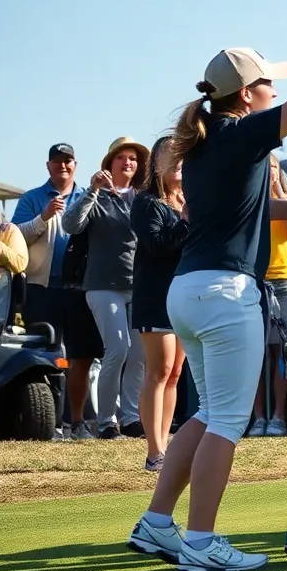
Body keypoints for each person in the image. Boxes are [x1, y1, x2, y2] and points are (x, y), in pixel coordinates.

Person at [127, 0, 287, 571]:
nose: (272, 93)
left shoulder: (210, 142)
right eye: (267, 85)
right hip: (224, 291)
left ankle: (158, 523)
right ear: (247, 96)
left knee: (209, 411)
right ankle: (202, 541)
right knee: (229, 418)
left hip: (190, 289)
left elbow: (264, 208)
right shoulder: (239, 134)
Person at [62, 136, 149, 439]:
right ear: (109, 164)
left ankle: (131, 417)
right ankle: (107, 421)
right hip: (102, 285)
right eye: (121, 157)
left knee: (139, 354)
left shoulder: (144, 198)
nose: (128, 162)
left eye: (133, 159)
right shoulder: (95, 195)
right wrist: (93, 190)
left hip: (139, 285)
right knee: (118, 349)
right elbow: (71, 225)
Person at [13, 143, 98, 440]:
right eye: (58, 161)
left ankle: (77, 422)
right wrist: (44, 217)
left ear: (76, 164)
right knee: (45, 357)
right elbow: (14, 237)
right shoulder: (32, 198)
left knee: (80, 358)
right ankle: (49, 424)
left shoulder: (89, 195)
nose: (63, 166)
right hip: (41, 289)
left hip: (79, 290)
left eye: (69, 161)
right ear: (48, 166)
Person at [130, 136, 188, 472]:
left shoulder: (186, 199)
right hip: (155, 295)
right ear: (156, 164)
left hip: (182, 295)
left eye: (182, 157)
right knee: (160, 370)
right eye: (171, 156)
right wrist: (184, 221)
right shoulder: (147, 202)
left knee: (175, 372)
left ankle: (163, 446)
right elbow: (154, 245)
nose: (178, 162)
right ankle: (154, 452)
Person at [251, 154, 287, 437]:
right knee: (256, 353)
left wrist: (279, 191)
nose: (269, 172)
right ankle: (258, 417)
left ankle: (279, 418)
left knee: (284, 352)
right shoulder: (248, 197)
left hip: (285, 279)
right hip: (255, 279)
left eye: (273, 167)